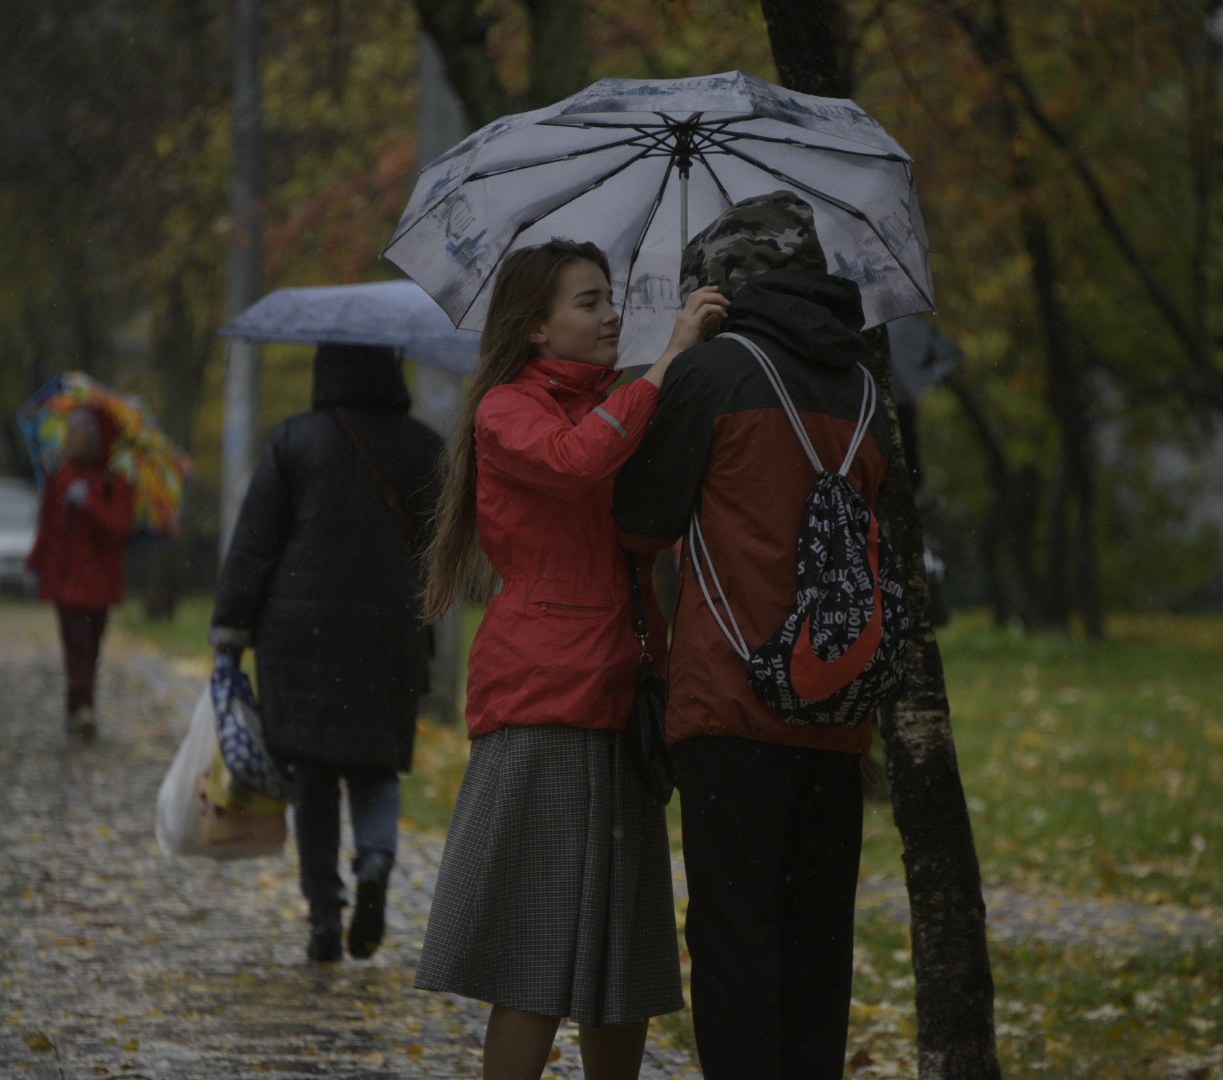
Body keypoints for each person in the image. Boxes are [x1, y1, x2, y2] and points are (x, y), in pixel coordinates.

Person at [414, 239, 727, 1080]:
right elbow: (576, 459)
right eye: (588, 302)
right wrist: (666, 363)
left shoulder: (622, 404)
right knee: (534, 957)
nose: (611, 313)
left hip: (625, 697)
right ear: (536, 327)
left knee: (621, 966)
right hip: (546, 698)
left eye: (609, 297)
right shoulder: (507, 410)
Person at [612, 191, 896, 1080]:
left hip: (730, 702)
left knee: (735, 932)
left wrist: (670, 366)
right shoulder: (867, 389)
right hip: (836, 702)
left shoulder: (713, 373)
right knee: (818, 931)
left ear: (723, 287)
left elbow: (641, 520)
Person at [209, 344, 445, 964]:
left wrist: (231, 625)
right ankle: (374, 861)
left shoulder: (296, 439)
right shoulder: (422, 444)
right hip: (386, 629)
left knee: (313, 774)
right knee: (375, 765)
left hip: (301, 630)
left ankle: (323, 913)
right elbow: (440, 546)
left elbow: (256, 540)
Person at [26, 405, 134, 738]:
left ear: (97, 439)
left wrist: (89, 505)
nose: (71, 437)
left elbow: (120, 529)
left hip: (99, 581)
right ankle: (81, 706)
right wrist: (35, 564)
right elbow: (48, 525)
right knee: (75, 643)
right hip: (65, 578)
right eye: (69, 429)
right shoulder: (60, 477)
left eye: (80, 430)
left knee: (90, 645)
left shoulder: (114, 482)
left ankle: (79, 705)